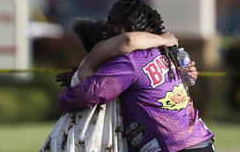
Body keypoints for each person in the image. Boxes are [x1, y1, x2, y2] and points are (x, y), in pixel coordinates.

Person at [58, 0, 215, 152]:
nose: (105, 26)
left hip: (169, 146)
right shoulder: (164, 51)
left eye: (112, 22)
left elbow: (91, 93)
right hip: (202, 141)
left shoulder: (131, 61)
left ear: (128, 29)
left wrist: (66, 96)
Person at [40, 17, 180, 152]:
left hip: (81, 141)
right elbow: (129, 40)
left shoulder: (117, 74)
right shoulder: (100, 68)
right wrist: (162, 39)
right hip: (82, 143)